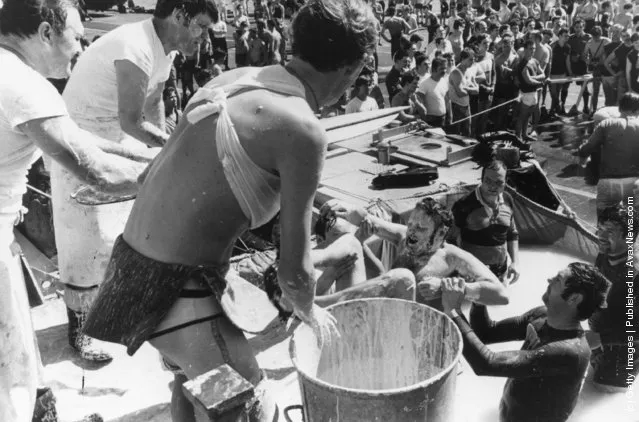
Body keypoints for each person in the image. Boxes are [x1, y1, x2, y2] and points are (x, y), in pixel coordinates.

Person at [82, 0, 378, 420]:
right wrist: (311, 313)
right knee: (254, 408)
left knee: (192, 382)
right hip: (175, 292)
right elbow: (294, 274)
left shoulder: (233, 80)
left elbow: (166, 174)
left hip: (129, 272)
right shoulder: (303, 130)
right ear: (351, 70)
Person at [0, 0, 151, 419]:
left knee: (18, 360)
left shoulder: (9, 73)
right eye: (77, 37)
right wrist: (165, 176)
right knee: (9, 382)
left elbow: (79, 138)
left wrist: (150, 158)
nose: (81, 49)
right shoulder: (25, 85)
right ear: (47, 33)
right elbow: (95, 169)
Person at [51, 0, 218, 363]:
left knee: (130, 222)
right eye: (201, 27)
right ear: (180, 16)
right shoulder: (136, 46)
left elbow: (153, 103)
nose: (204, 38)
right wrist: (175, 146)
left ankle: (118, 311)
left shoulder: (164, 49)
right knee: (84, 238)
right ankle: (79, 333)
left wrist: (160, 151)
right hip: (78, 138)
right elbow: (132, 121)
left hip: (112, 136)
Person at [441, 262, 610, 422]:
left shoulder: (570, 351)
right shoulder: (541, 315)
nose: (549, 279)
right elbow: (486, 333)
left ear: (574, 298)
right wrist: (479, 298)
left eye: (558, 279)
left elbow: (486, 364)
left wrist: (454, 311)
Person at [321, 198, 510, 309]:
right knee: (348, 238)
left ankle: (320, 303)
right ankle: (329, 305)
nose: (411, 231)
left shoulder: (452, 257)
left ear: (441, 234)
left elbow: (502, 295)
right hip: (389, 310)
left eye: (420, 228)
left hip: (420, 331)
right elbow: (369, 220)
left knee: (399, 277)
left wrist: (448, 286)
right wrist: (346, 207)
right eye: (410, 224)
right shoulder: (404, 236)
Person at [588, 204, 639, 392]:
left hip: (624, 354)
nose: (600, 235)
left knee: (604, 391)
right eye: (600, 228)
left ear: (629, 237)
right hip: (599, 343)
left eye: (609, 231)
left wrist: (600, 338)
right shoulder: (603, 257)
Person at [452, 160, 520, 284]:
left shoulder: (508, 199)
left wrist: (515, 262)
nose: (493, 186)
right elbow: (450, 241)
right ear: (481, 179)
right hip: (472, 275)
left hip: (501, 271)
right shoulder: (464, 205)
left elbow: (512, 233)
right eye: (488, 181)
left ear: (505, 183)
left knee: (501, 302)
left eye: (499, 182)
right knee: (476, 304)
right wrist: (459, 269)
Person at [577, 92, 639, 214]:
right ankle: (630, 232)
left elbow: (586, 149)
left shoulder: (606, 124)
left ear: (619, 108)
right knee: (632, 224)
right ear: (637, 110)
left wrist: (582, 156)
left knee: (605, 224)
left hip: (609, 183)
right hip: (634, 183)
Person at [515, 39, 545, 141]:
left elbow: (543, 74)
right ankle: (517, 138)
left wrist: (535, 78)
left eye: (534, 48)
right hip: (526, 93)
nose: (532, 50)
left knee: (528, 116)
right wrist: (539, 82)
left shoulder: (535, 61)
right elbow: (528, 81)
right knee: (522, 116)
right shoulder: (522, 64)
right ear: (525, 49)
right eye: (530, 48)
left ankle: (524, 134)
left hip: (534, 93)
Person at [449, 48, 479, 136]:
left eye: (473, 60)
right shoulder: (455, 73)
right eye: (470, 59)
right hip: (456, 107)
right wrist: (470, 89)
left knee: (467, 133)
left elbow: (477, 90)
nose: (472, 62)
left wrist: (466, 88)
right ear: (463, 59)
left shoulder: (469, 70)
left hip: (466, 106)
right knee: (456, 135)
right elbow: (460, 93)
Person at [567, 18, 592, 114]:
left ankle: (586, 107)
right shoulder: (570, 38)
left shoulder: (588, 37)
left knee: (584, 87)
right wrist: (572, 56)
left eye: (580, 27)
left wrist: (587, 58)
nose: (578, 29)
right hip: (572, 65)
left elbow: (592, 51)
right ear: (574, 27)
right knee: (565, 86)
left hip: (583, 65)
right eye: (576, 27)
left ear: (583, 27)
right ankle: (561, 106)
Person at [417, 56, 449, 127]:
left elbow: (447, 100)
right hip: (431, 121)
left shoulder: (444, 81)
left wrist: (450, 116)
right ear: (434, 69)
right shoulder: (424, 84)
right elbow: (419, 105)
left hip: (443, 118)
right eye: (441, 69)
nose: (444, 71)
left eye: (445, 68)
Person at [550, 28, 573, 116]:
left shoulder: (568, 47)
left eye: (568, 36)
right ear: (559, 36)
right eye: (565, 36)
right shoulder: (553, 46)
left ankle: (553, 111)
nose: (567, 37)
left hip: (562, 73)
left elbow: (567, 61)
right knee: (554, 94)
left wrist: (570, 73)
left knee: (558, 92)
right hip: (552, 73)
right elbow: (549, 61)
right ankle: (557, 107)